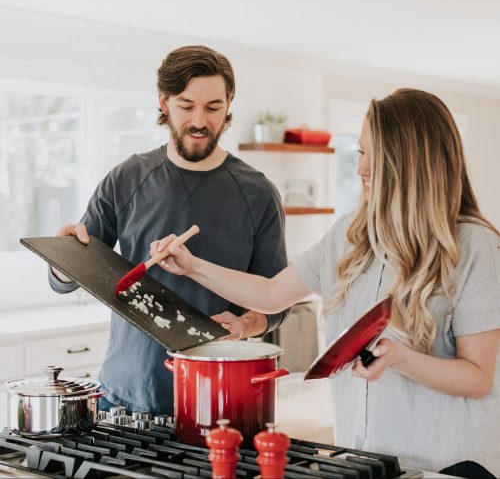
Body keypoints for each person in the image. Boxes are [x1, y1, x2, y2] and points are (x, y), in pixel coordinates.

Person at [155, 88, 500, 476]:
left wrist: (401, 358)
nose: (361, 168)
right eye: (360, 152)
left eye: (372, 155)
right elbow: (271, 294)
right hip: (365, 461)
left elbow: (477, 378)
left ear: (410, 162)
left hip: (448, 466)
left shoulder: (474, 246)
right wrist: (191, 265)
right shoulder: (349, 236)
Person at [49, 45, 290, 415]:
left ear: (228, 105)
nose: (199, 121)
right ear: (164, 102)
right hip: (122, 397)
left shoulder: (258, 194)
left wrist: (246, 324)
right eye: (186, 105)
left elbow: (276, 303)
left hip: (217, 399)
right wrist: (61, 261)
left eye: (213, 107)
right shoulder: (126, 178)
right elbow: (70, 273)